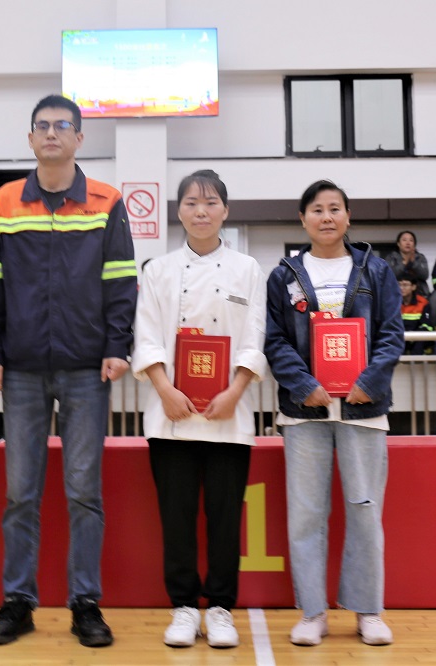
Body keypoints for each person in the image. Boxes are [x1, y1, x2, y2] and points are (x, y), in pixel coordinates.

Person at [0, 94, 137, 648]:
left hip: (88, 368)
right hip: (20, 369)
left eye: (61, 126)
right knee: (20, 493)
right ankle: (18, 602)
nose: (51, 134)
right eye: (41, 126)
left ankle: (85, 603)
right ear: (30, 138)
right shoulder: (3, 202)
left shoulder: (106, 201)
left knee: (84, 491)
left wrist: (117, 345)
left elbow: (121, 280)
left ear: (78, 138)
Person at [131, 170, 267, 649]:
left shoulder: (248, 269)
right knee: (177, 516)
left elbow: (254, 337)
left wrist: (235, 391)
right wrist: (164, 389)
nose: (201, 211)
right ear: (179, 211)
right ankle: (185, 606)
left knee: (226, 517)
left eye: (210, 203)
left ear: (225, 211)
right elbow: (146, 335)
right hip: (170, 413)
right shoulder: (159, 270)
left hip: (229, 414)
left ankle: (222, 608)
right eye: (191, 203)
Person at [264, 179, 402, 648]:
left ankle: (368, 610)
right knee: (306, 513)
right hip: (305, 412)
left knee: (364, 509)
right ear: (302, 219)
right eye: (317, 209)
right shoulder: (284, 275)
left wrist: (369, 382)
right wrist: (304, 385)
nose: (326, 217)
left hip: (364, 408)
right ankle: (312, 612)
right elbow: (274, 340)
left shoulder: (375, 270)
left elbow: (391, 334)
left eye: (335, 208)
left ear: (348, 216)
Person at [384, 230, 429, 298]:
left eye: (411, 240)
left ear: (414, 244)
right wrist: (404, 263)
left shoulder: (420, 257)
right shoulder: (391, 257)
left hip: (418, 291)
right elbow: (389, 276)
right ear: (398, 244)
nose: (408, 243)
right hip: (396, 291)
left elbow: (425, 275)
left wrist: (414, 263)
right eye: (404, 240)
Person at [398, 272, 433, 355]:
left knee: (419, 343)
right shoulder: (392, 302)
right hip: (400, 336)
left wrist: (413, 335)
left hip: (418, 337)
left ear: (413, 287)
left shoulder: (423, 303)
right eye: (399, 285)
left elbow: (427, 325)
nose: (401, 288)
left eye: (405, 285)